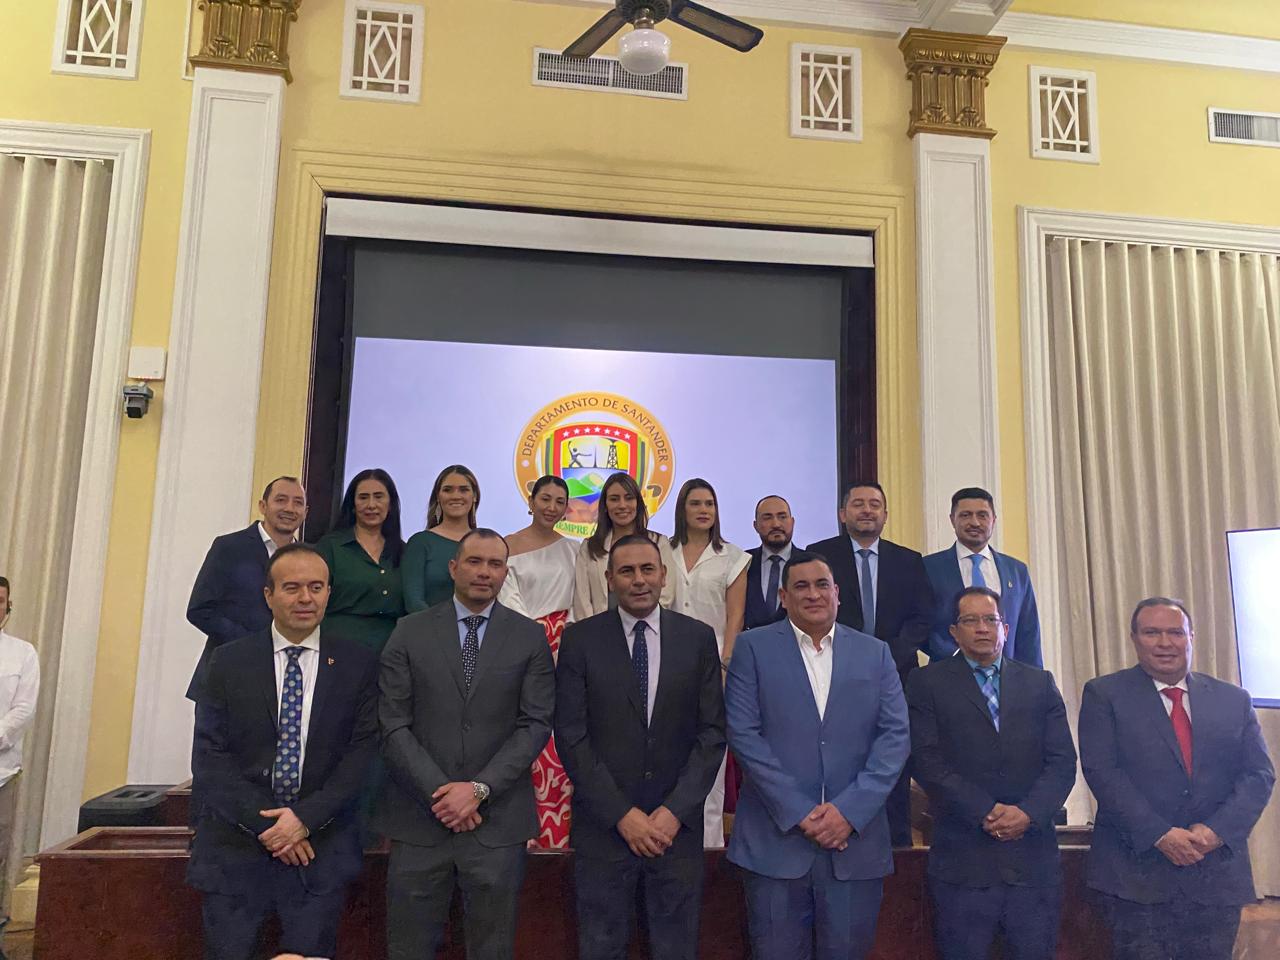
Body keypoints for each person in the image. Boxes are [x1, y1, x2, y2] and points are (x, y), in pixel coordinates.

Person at [187, 544, 379, 960]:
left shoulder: (358, 664)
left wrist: (303, 820)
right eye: (292, 587)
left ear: (329, 593)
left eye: (316, 587)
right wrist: (273, 827)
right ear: (268, 595)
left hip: (319, 852)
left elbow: (361, 756)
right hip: (235, 853)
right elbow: (209, 758)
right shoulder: (227, 662)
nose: (305, 598)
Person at [376, 529, 555, 960]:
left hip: (497, 824)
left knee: (492, 949)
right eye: (474, 562)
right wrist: (443, 794)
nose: (484, 572)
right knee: (408, 949)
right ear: (454, 568)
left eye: (495, 564)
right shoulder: (409, 631)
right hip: (420, 820)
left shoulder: (529, 637)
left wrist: (477, 790)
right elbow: (392, 724)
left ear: (505, 573)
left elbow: (535, 724)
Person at [726, 550, 910, 960]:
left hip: (855, 846)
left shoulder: (875, 653)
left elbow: (895, 738)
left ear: (837, 593)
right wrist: (798, 811)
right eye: (801, 586)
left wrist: (849, 812)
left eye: (822, 585)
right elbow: (743, 734)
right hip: (775, 845)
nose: (813, 594)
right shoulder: (752, 649)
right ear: (783, 597)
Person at [555, 534, 726, 960]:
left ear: (664, 576)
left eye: (648, 569)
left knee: (675, 948)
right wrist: (622, 815)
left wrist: (672, 813)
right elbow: (572, 735)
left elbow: (711, 735)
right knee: (601, 947)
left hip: (675, 832)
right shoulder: (580, 640)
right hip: (604, 830)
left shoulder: (698, 638)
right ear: (609, 579)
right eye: (627, 571)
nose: (638, 580)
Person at [1079, 597, 1275, 960]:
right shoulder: (1105, 695)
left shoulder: (1233, 699)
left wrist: (1216, 831)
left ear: (1191, 637)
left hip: (1215, 876)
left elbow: (1259, 774)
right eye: (1152, 633)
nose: (1165, 643)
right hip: (1136, 878)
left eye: (1175, 633)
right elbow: (1103, 773)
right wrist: (1159, 834)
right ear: (1134, 639)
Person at [907, 587, 1076, 960]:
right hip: (964, 862)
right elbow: (927, 760)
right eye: (970, 620)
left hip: (1032, 863)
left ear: (1006, 628)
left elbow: (1062, 761)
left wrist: (1027, 813)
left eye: (990, 619)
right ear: (954, 632)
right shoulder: (927, 683)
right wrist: (984, 810)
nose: (982, 628)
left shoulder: (1039, 683)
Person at [807, 481, 934, 846]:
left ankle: (896, 846)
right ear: (842, 514)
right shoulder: (819, 556)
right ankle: (835, 833)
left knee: (893, 761)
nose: (867, 510)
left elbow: (922, 618)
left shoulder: (908, 560)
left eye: (874, 504)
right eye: (858, 504)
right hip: (833, 673)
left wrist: (885, 657)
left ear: (885, 515)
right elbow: (813, 612)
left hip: (897, 675)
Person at [667, 478, 747, 849]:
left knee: (709, 759)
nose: (703, 510)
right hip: (664, 662)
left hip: (713, 665)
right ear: (681, 509)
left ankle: (710, 847)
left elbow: (735, 617)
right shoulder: (662, 550)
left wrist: (726, 667)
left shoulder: (733, 557)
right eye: (695, 503)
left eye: (709, 504)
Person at [499, 475, 577, 849]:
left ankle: (555, 838)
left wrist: (564, 642)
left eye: (559, 501)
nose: (551, 507)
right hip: (520, 647)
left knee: (557, 745)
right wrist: (535, 640)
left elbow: (579, 600)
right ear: (531, 501)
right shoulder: (506, 546)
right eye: (545, 498)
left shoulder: (575, 550)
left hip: (566, 650)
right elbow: (507, 598)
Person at [186, 476, 307, 700]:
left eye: (298, 502)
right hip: (227, 676)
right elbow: (199, 610)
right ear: (263, 506)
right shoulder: (229, 547)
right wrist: (251, 643)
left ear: (305, 511)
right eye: (281, 500)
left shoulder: (309, 558)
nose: (290, 508)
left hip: (285, 681)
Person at [923, 487, 1041, 666]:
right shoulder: (928, 568)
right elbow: (919, 624)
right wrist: (954, 654)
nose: (975, 522)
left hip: (1007, 675)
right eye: (965, 515)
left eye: (982, 515)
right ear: (952, 520)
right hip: (948, 672)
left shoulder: (1017, 571)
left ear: (994, 520)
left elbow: (1029, 632)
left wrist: (1033, 676)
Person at [314, 468, 405, 656]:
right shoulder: (331, 547)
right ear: (353, 505)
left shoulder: (404, 551)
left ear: (390, 504)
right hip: (339, 648)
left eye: (379, 497)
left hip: (392, 653)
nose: (371, 505)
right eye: (363, 497)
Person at [573, 472, 677, 619]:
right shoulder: (590, 547)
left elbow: (666, 594)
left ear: (638, 503)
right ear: (605, 505)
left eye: (629, 498)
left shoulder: (659, 542)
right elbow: (582, 600)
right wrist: (594, 628)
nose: (622, 505)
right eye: (614, 499)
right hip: (599, 628)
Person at [0, 577, 38, 931]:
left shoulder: (22, 653)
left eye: (0, 600)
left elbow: (23, 709)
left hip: (3, 773)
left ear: (8, 606)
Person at [402, 464, 480, 612]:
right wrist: (441, 625)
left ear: (474, 496)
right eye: (447, 490)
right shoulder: (420, 542)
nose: (456, 496)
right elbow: (413, 601)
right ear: (438, 497)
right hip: (428, 625)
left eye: (463, 490)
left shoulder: (486, 544)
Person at [743, 495, 795, 630]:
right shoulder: (742, 562)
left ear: (792, 522)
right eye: (767, 518)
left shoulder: (810, 564)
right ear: (755, 526)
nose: (776, 524)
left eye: (782, 517)